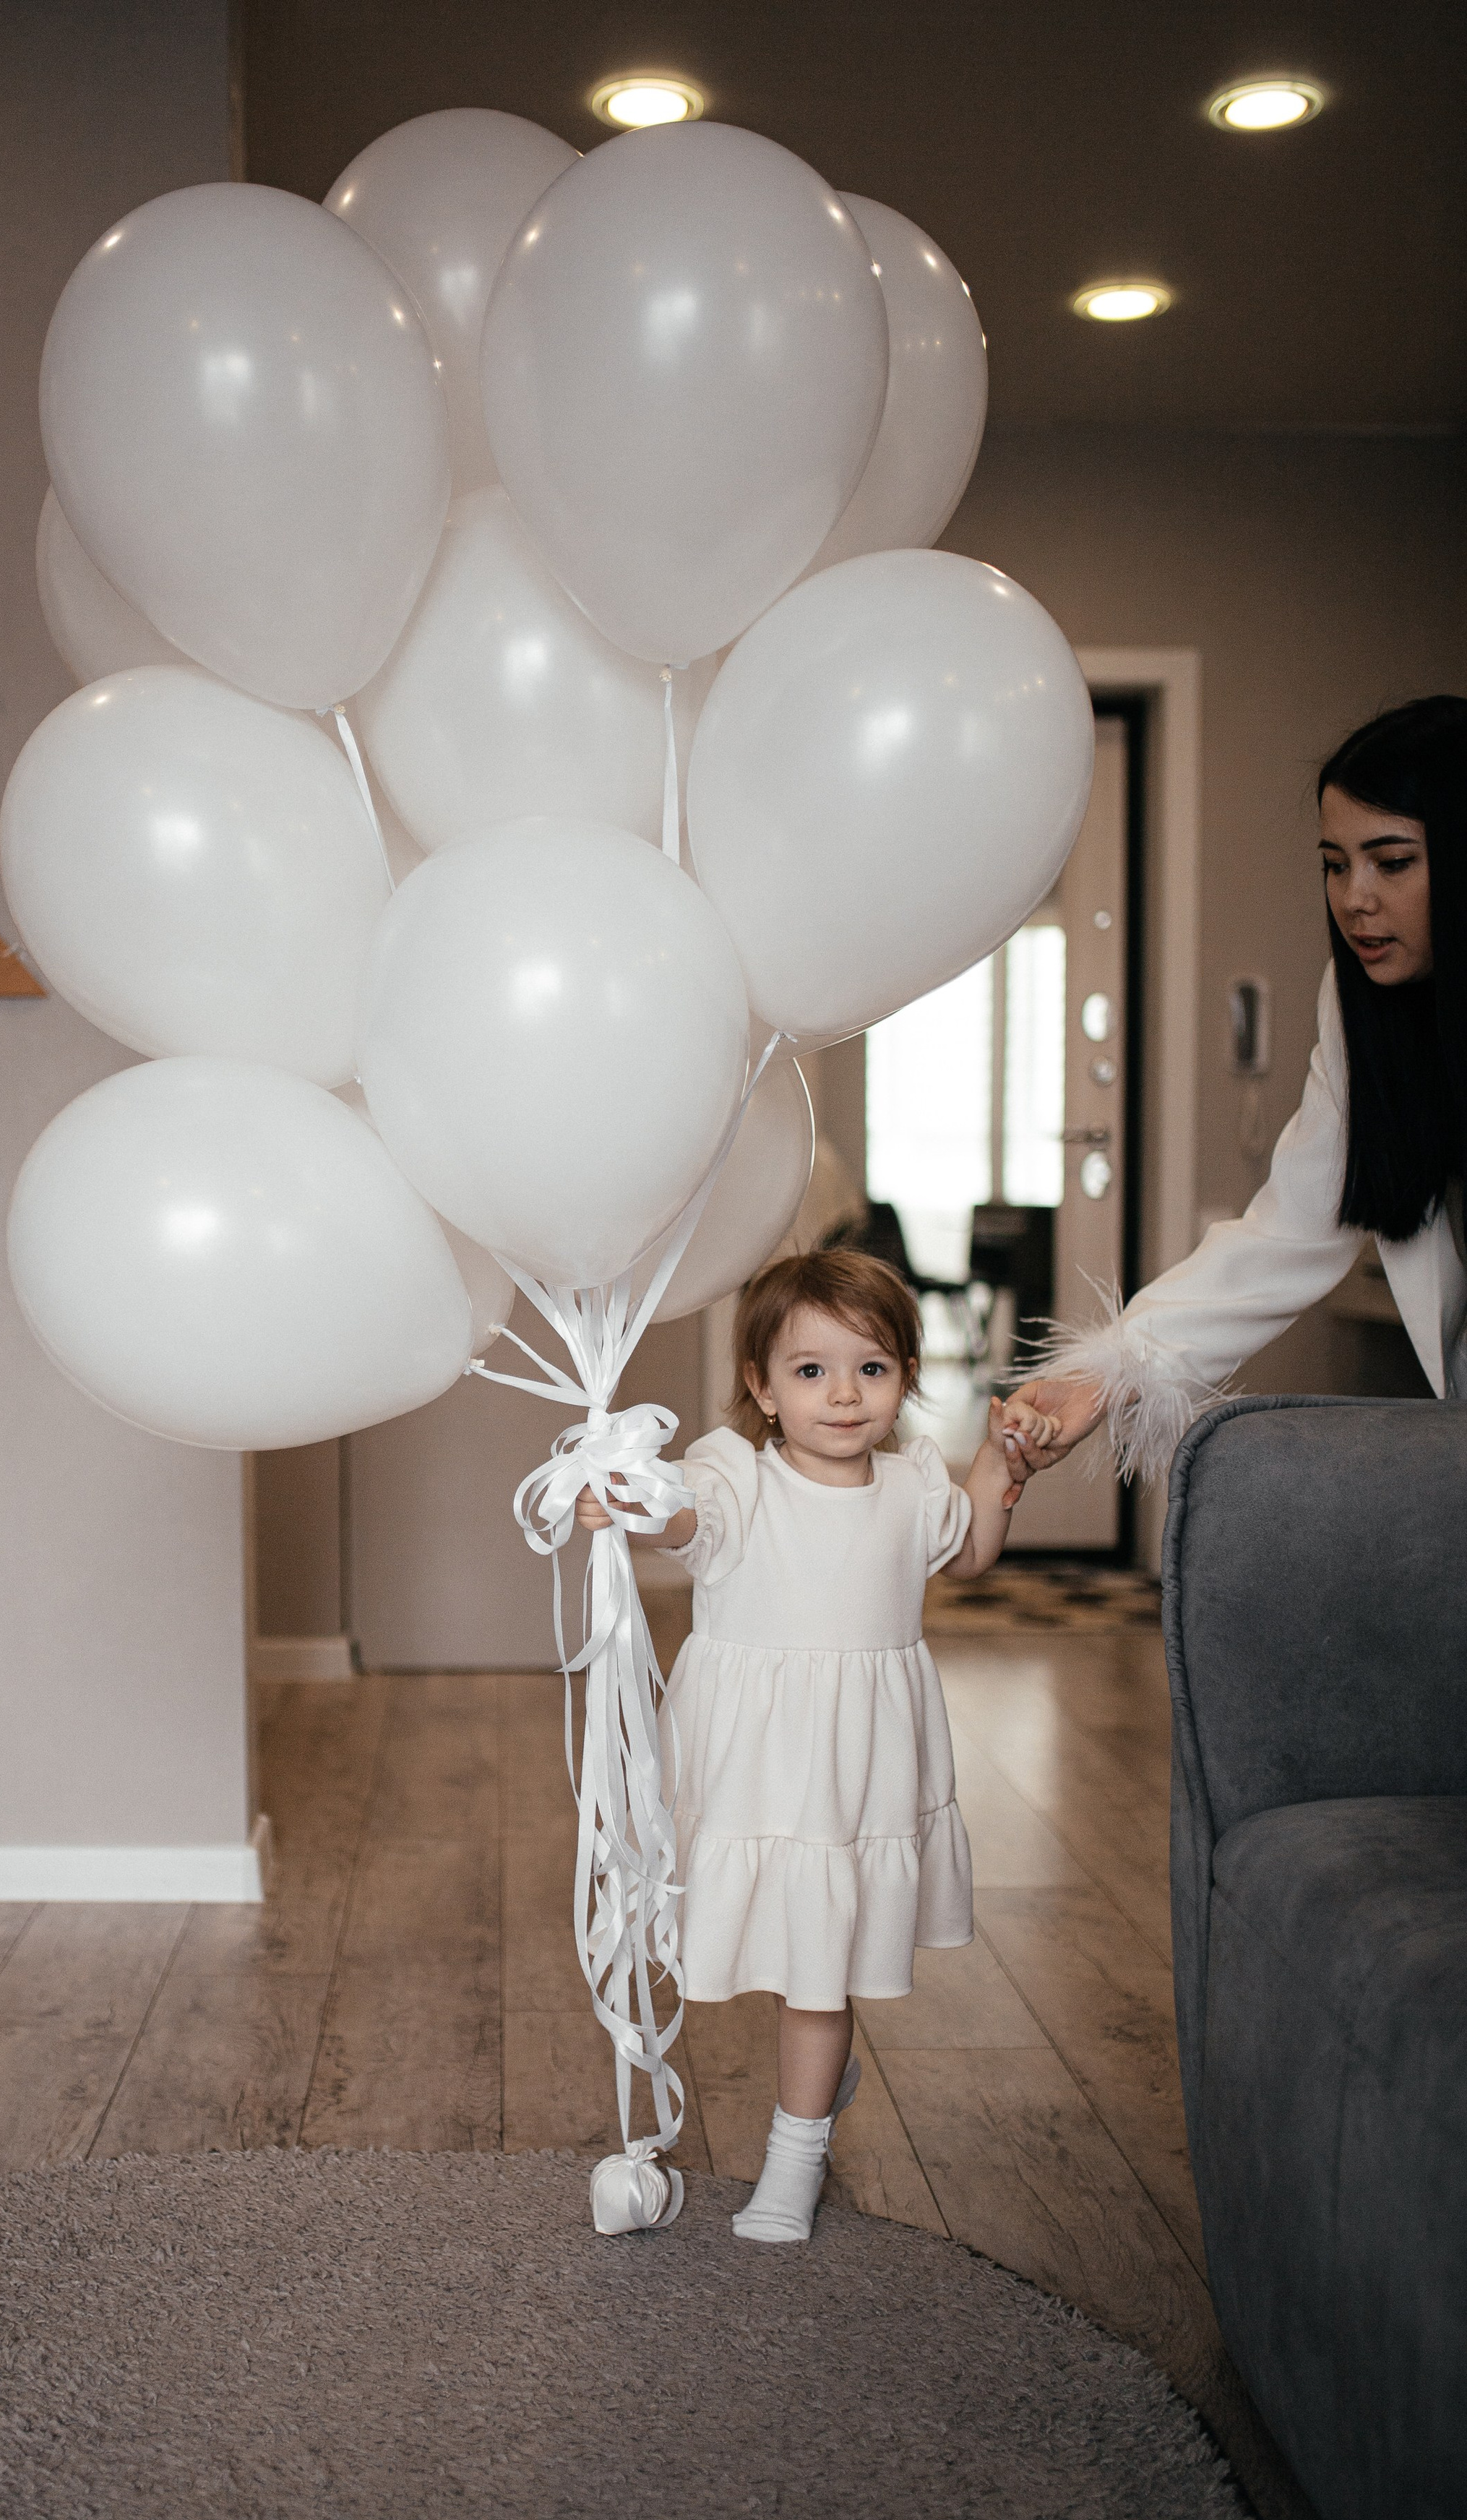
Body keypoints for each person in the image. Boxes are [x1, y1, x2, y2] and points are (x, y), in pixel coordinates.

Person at [577, 1247, 1056, 2244]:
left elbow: (966, 1551)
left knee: (820, 1966)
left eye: (872, 1369)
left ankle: (796, 2157)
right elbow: (683, 1517)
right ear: (761, 1384)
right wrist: (633, 1499)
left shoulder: (910, 1482)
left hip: (858, 1770)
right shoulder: (735, 1476)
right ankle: (804, 2092)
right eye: (810, 1371)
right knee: (729, 1935)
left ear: (906, 1381)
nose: (844, 1395)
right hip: (751, 1762)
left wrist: (1004, 1465)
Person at [1015, 694, 1467, 1479]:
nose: (1355, 897)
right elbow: (1289, 1228)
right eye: (1334, 863)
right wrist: (1108, 1371)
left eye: (1392, 862)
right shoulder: (1358, 1006)